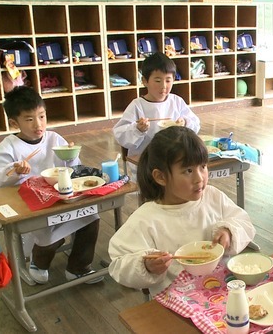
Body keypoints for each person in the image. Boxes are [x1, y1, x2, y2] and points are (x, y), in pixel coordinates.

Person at [108, 126, 256, 296]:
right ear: (161, 177)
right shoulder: (146, 219)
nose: (199, 178)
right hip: (176, 300)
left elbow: (244, 223)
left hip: (224, 290)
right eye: (188, 171)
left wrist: (229, 232)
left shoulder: (213, 197)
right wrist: (146, 265)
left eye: (203, 166)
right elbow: (118, 263)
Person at [0, 86, 103, 284]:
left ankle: (78, 267)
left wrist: (70, 157)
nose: (38, 124)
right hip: (29, 207)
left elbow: (73, 170)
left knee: (91, 216)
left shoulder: (53, 138)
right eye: (29, 119)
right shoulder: (8, 147)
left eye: (42, 116)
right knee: (46, 229)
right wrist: (14, 172)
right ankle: (38, 261)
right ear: (14, 122)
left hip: (59, 198)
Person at [113, 51, 201, 180]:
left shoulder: (176, 101)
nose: (163, 86)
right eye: (158, 80)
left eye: (168, 80)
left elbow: (195, 123)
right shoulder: (137, 105)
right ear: (145, 81)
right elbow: (120, 133)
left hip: (174, 159)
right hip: (146, 162)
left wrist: (186, 123)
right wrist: (138, 129)